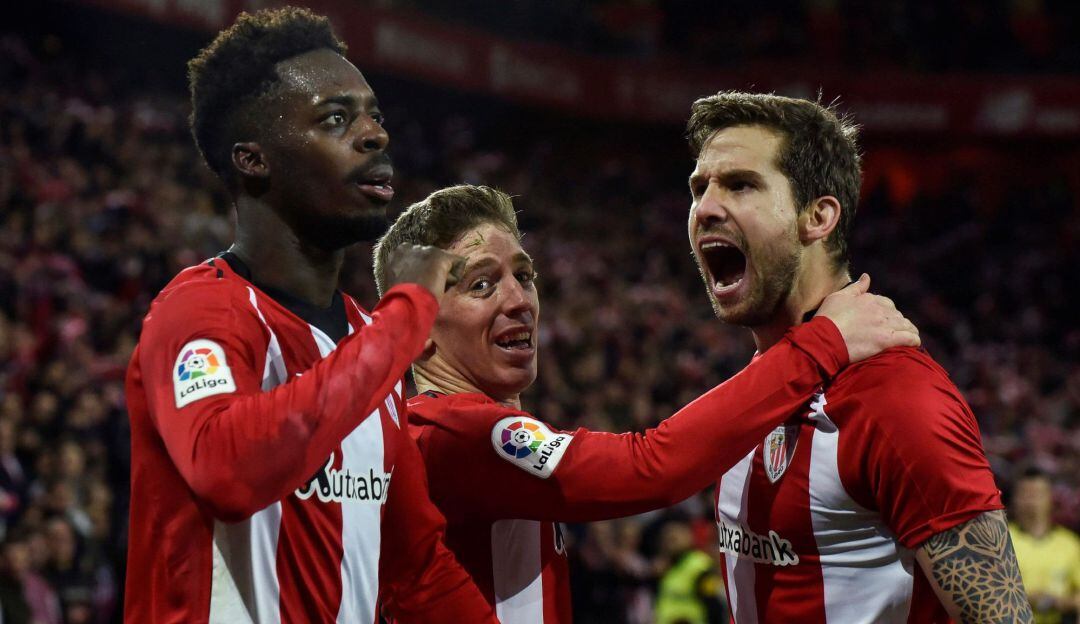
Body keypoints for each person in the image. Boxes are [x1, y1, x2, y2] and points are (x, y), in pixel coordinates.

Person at [371, 184, 919, 621]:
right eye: (481, 285)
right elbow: (648, 468)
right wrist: (821, 342)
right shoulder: (449, 431)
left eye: (524, 275)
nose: (519, 299)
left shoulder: (462, 433)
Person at [123, 8, 496, 623]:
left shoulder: (367, 340)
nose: (375, 135)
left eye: (374, 115)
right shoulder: (199, 310)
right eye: (336, 119)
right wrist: (406, 313)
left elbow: (416, 569)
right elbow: (230, 473)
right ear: (253, 159)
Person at [685, 91, 1032, 622]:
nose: (705, 207)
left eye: (740, 184)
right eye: (699, 187)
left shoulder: (896, 398)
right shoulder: (759, 387)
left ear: (818, 217)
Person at [1009, 467, 1080, 624]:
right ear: (1015, 499)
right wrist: (1028, 599)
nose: (1032, 501)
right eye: (1026, 494)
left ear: (1050, 498)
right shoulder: (1002, 542)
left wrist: (1064, 602)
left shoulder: (1070, 544)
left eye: (1037, 494)